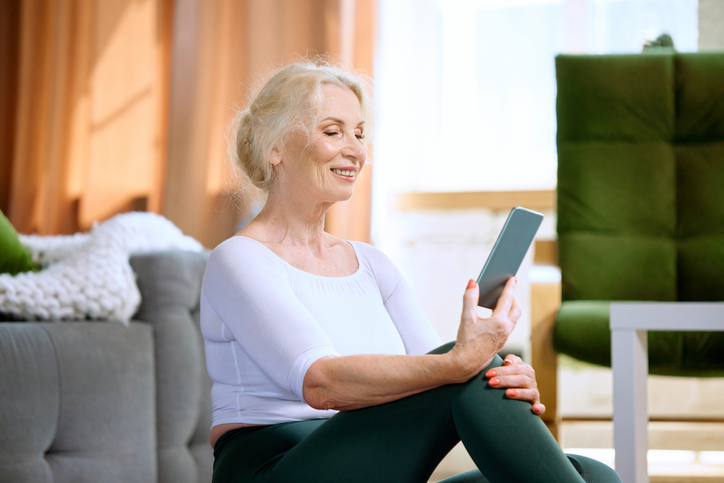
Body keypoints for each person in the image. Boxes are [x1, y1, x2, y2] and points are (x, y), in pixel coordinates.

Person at [201, 60, 621, 483]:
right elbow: (321, 383)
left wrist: (497, 376)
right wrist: (465, 364)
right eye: (333, 131)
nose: (356, 150)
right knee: (464, 368)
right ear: (274, 147)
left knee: (592, 473)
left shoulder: (373, 266)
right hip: (278, 466)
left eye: (360, 134)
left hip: (377, 466)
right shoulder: (239, 258)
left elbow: (448, 379)